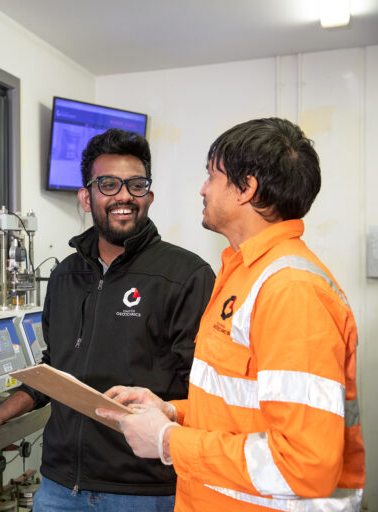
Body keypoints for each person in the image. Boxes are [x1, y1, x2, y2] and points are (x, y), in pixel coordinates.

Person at [97, 118, 365, 511]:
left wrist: (167, 440)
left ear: (247, 188)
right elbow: (242, 409)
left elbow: (306, 465)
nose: (202, 188)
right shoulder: (242, 274)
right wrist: (172, 411)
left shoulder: (291, 291)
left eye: (211, 176)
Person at [0, 128, 215, 511]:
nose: (124, 195)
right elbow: (55, 371)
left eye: (136, 185)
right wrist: (1, 412)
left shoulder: (186, 275)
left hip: (143, 491)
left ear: (149, 197)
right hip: (59, 487)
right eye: (108, 184)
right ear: (86, 198)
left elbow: (205, 391)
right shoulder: (65, 276)